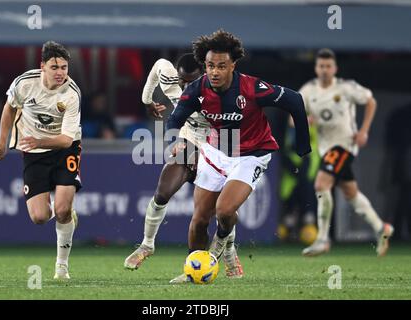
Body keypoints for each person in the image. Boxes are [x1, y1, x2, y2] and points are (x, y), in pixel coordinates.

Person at [167, 30, 311, 282]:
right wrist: (178, 140)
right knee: (200, 218)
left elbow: (295, 101)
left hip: (252, 155)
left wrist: (303, 145)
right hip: (216, 152)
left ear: (233, 65)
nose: (214, 72)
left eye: (221, 66)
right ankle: (194, 269)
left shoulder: (252, 88)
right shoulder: (196, 89)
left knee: (223, 211)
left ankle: (221, 247)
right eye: (210, 65)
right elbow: (175, 119)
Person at [124, 53, 244, 280]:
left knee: (220, 209)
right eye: (183, 81)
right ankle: (147, 245)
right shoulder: (170, 79)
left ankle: (228, 250)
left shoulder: (220, 92)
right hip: (188, 142)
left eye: (192, 82)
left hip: (218, 149)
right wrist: (147, 101)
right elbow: (157, 66)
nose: (187, 86)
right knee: (162, 193)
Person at [0, 41, 82, 279]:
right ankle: (65, 216)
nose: (60, 72)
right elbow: (10, 108)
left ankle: (61, 267)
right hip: (33, 153)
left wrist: (38, 141)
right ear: (42, 66)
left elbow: (64, 140)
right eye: (55, 67)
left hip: (65, 149)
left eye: (64, 67)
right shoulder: (24, 83)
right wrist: (2, 142)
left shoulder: (72, 94)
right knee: (39, 217)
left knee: (62, 210)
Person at [300, 48, 394, 257]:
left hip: (344, 145)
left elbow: (371, 101)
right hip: (326, 148)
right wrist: (304, 121)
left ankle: (323, 238)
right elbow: (295, 116)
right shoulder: (308, 91)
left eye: (328, 66)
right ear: (316, 68)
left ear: (335, 68)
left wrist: (364, 131)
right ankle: (382, 228)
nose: (324, 70)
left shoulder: (345, 88)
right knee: (350, 193)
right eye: (321, 66)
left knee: (321, 184)